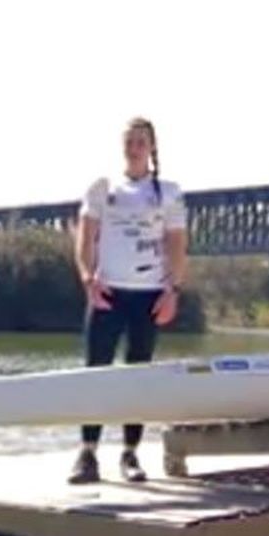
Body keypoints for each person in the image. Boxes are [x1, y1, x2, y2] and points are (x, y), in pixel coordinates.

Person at [67, 116, 188, 484]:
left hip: (148, 296)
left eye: (141, 142)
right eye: (129, 142)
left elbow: (177, 246)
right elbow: (85, 239)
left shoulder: (168, 192)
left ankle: (130, 454)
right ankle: (87, 453)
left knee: (138, 375)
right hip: (108, 294)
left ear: (151, 148)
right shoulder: (103, 188)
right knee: (96, 373)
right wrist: (88, 279)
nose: (134, 148)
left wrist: (172, 291)